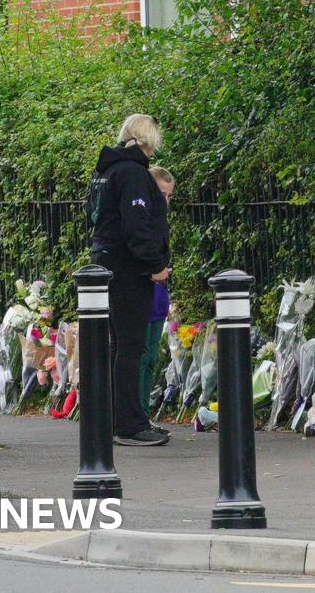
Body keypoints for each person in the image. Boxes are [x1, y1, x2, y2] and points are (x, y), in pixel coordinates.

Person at [89, 114, 171, 446]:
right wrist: (154, 264)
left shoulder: (105, 172)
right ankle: (130, 424)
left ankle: (115, 418)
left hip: (106, 262)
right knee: (130, 346)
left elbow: (95, 217)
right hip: (128, 268)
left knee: (116, 345)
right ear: (150, 140)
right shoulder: (134, 174)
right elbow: (136, 225)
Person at [139, 166, 175, 435]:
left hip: (158, 292)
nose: (165, 201)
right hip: (144, 290)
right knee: (141, 356)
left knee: (151, 357)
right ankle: (137, 415)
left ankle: (144, 415)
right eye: (162, 194)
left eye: (170, 196)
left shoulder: (159, 220)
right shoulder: (142, 219)